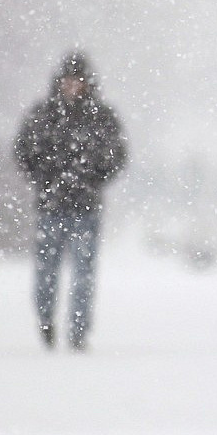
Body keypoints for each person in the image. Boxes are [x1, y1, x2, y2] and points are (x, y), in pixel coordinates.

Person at [14, 51, 127, 351]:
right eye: (68, 80)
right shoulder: (43, 115)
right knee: (46, 272)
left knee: (83, 274)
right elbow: (24, 152)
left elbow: (116, 156)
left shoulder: (101, 117)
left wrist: (91, 178)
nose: (72, 86)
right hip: (50, 207)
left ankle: (78, 330)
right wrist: (47, 179)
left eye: (77, 80)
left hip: (85, 208)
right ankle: (46, 320)